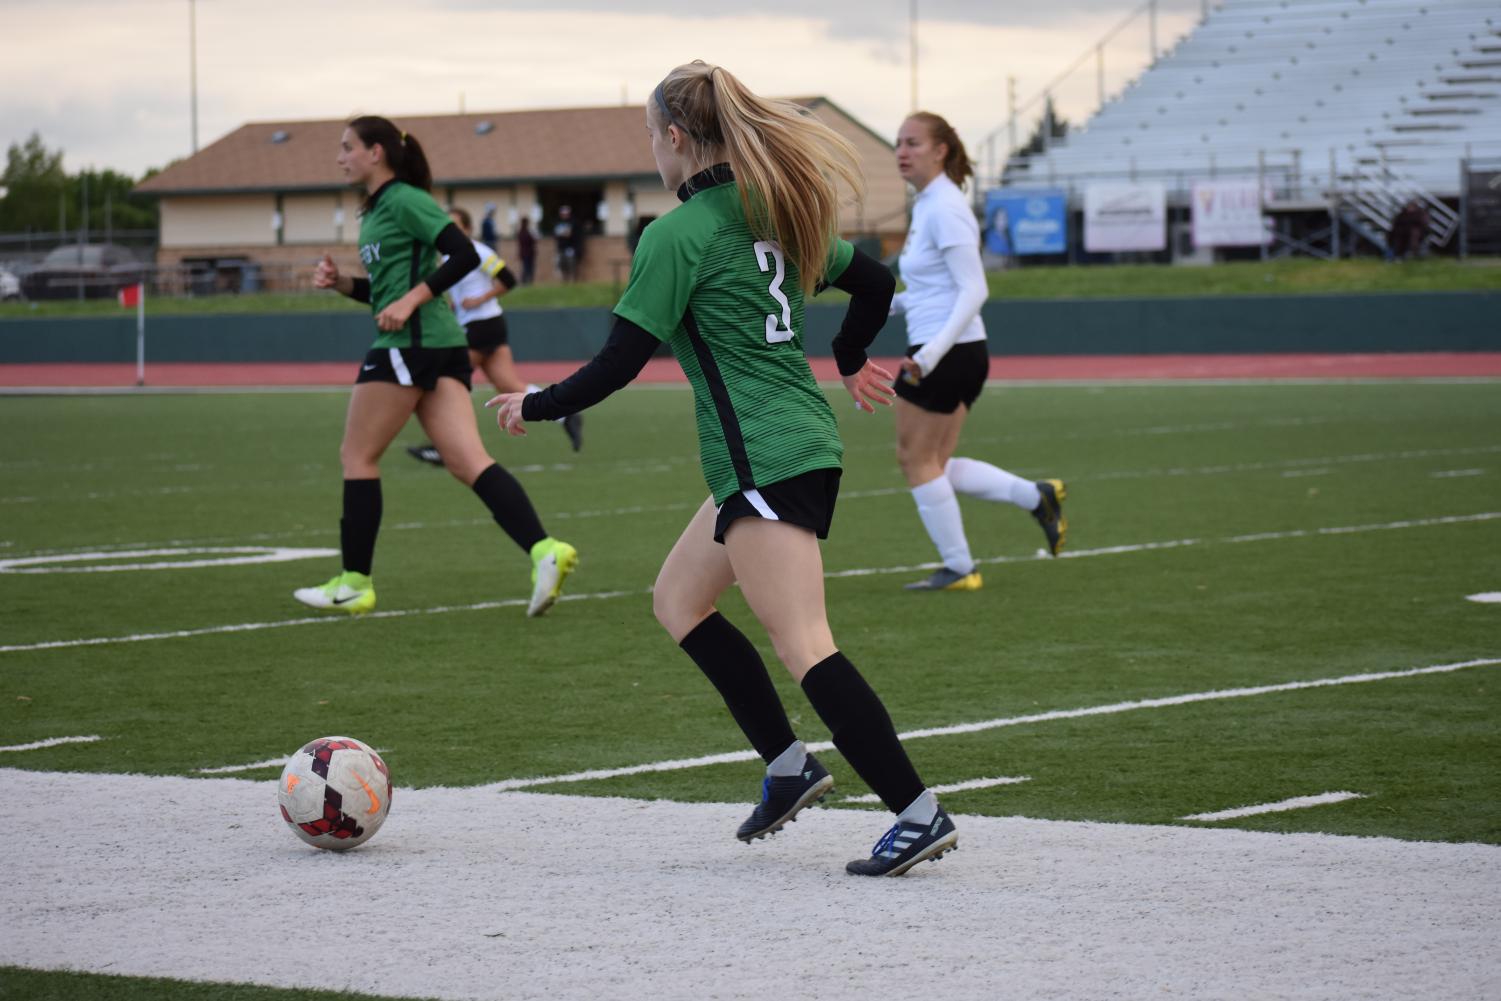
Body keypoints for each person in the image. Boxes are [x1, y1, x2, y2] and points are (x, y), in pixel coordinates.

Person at [489, 61, 958, 877]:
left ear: (674, 137)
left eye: (650, 137)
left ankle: (916, 812)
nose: (651, 152)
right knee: (678, 598)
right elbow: (874, 281)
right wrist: (848, 353)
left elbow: (621, 360)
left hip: (763, 458)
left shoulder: (677, 233)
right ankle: (787, 765)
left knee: (805, 642)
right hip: (788, 446)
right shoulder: (769, 208)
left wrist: (534, 403)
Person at [299, 115, 578, 619]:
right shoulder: (379, 209)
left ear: (376, 152)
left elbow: (464, 253)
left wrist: (411, 302)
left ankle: (355, 583)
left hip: (412, 344)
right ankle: (545, 551)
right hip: (438, 344)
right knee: (468, 462)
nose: (339, 157)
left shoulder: (405, 199)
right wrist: (344, 284)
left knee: (357, 456)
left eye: (347, 147)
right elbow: (385, 292)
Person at [889, 111, 1066, 591]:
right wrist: (883, 304)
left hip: (945, 352)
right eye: (898, 143)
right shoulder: (930, 204)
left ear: (941, 150)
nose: (902, 152)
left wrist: (928, 356)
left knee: (915, 459)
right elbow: (931, 292)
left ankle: (960, 567)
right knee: (935, 464)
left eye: (913, 143)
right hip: (954, 349)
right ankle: (1036, 496)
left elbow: (975, 289)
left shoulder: (944, 206)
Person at [406, 205, 582, 465]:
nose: (448, 231)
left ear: (467, 229)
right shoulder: (446, 258)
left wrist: (480, 298)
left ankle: (443, 447)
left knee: (447, 382)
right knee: (508, 385)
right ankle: (566, 414)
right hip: (482, 326)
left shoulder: (478, 251)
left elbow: (508, 279)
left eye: (455, 226)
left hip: (484, 324)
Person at [553, 204, 582, 281]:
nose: (564, 215)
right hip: (561, 247)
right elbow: (556, 235)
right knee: (562, 265)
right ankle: (564, 280)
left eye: (566, 214)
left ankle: (572, 280)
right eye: (563, 214)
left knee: (571, 264)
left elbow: (573, 235)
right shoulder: (558, 222)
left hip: (570, 248)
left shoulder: (573, 222)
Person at [517, 216, 537, 285]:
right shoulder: (524, 232)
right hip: (527, 253)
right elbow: (530, 240)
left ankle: (527, 281)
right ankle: (525, 281)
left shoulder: (523, 231)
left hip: (527, 252)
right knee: (527, 268)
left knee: (528, 267)